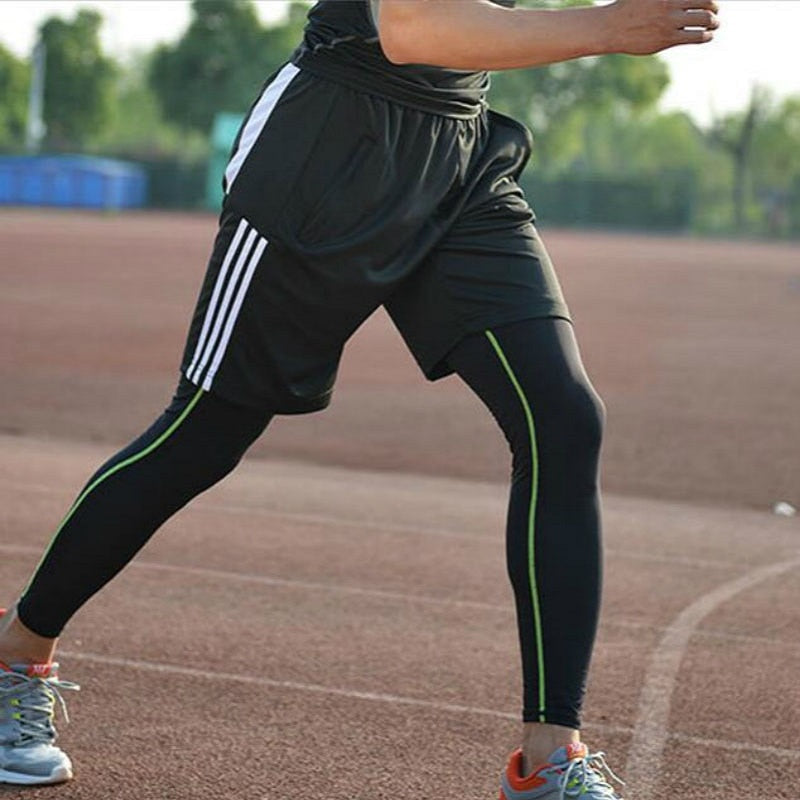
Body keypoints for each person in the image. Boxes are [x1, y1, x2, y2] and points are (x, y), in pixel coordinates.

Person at [0, 0, 718, 795]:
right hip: (329, 153)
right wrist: (611, 28)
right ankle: (16, 653)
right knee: (206, 435)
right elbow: (412, 25)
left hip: (457, 153)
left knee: (563, 420)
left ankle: (551, 759)